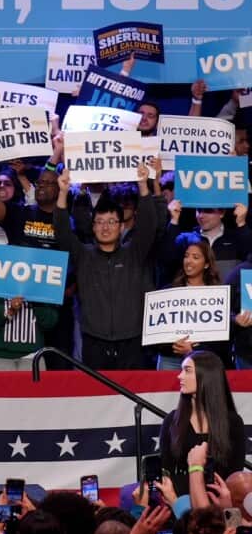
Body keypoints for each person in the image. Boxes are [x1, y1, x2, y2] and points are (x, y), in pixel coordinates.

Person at [53, 159, 157, 370]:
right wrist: (63, 192)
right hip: (94, 343)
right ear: (92, 227)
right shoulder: (83, 255)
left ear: (121, 227)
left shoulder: (134, 253)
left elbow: (149, 225)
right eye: (99, 222)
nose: (105, 227)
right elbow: (62, 232)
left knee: (132, 391)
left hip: (132, 342)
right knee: (96, 391)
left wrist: (143, 185)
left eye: (111, 222)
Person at [159, 350, 246, 490]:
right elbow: (166, 470)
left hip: (220, 499)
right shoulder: (172, 420)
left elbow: (235, 474)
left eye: (187, 370)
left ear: (206, 376)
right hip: (180, 498)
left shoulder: (233, 422)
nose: (180, 376)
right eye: (181, 370)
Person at [153, 239, 228, 370]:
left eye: (195, 257)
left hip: (203, 360)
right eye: (186, 256)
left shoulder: (216, 295)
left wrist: (194, 349)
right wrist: (173, 344)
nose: (189, 261)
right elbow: (157, 331)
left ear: (206, 264)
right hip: (170, 359)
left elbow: (221, 339)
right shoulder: (168, 292)